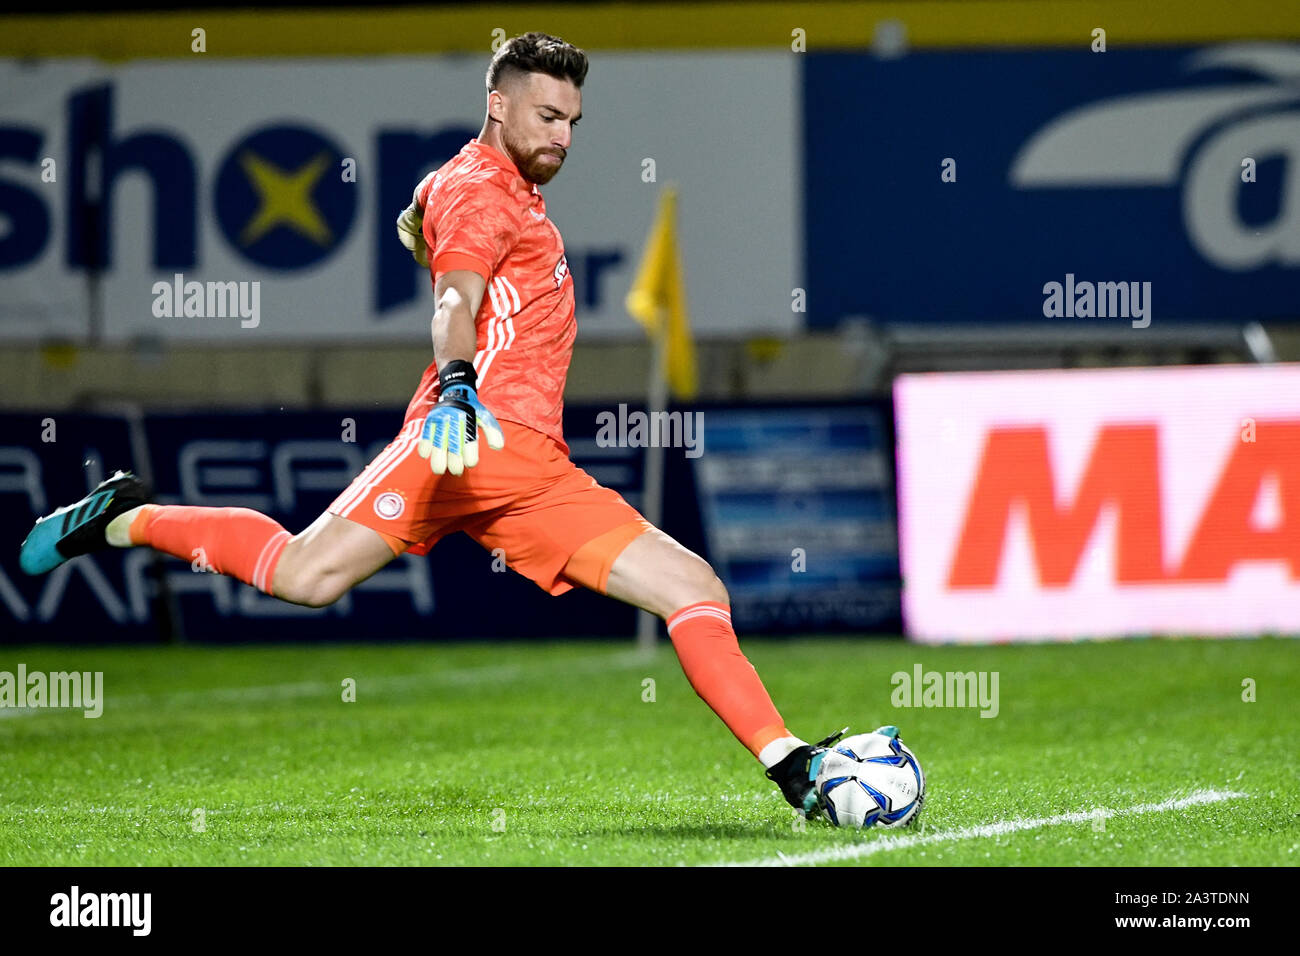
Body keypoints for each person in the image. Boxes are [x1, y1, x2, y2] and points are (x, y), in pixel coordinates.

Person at [20, 31, 844, 820]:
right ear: (498, 104)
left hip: (526, 471)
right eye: (547, 118)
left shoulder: (482, 186)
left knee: (693, 588)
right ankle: (126, 518)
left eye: (572, 123)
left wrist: (422, 209)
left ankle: (791, 766)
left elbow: (427, 213)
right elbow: (455, 299)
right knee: (304, 577)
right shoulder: (483, 194)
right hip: (463, 440)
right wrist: (455, 386)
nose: (563, 137)